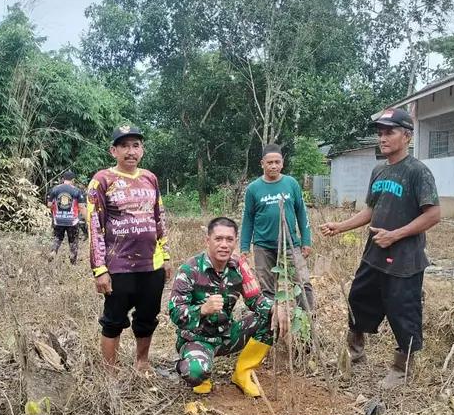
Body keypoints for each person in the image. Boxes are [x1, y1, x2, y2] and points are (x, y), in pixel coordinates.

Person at [320, 108, 440, 388]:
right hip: (374, 253)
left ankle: (402, 368)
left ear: (407, 136)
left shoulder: (417, 171)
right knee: (358, 299)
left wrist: (395, 235)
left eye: (390, 132)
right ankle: (355, 350)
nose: (383, 138)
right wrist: (341, 226)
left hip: (405, 260)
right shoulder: (379, 170)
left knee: (403, 311)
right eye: (380, 133)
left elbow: (433, 215)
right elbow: (372, 210)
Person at [169, 217, 289, 396]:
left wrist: (276, 307)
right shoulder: (190, 270)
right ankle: (193, 366)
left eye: (229, 239)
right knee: (196, 373)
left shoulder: (239, 266)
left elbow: (256, 300)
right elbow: (175, 312)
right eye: (218, 239)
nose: (224, 245)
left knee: (272, 317)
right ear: (207, 241)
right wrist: (202, 310)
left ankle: (242, 373)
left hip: (226, 335)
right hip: (197, 339)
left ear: (235, 242)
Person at [88, 125, 171, 372]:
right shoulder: (101, 181)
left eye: (135, 145)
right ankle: (110, 373)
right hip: (118, 265)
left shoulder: (150, 178)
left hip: (151, 264)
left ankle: (142, 363)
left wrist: (165, 255)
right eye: (124, 146)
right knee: (113, 321)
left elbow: (160, 217)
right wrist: (99, 269)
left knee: (147, 318)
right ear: (113, 150)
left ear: (142, 150)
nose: (130, 151)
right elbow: (94, 225)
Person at [240, 145, 314, 311]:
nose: (273, 166)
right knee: (266, 288)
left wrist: (306, 240)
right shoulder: (253, 189)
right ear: (262, 164)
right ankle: (270, 323)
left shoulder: (291, 184)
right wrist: (244, 247)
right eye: (269, 162)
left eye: (277, 162)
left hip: (291, 243)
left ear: (282, 163)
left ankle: (309, 320)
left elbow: (302, 213)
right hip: (262, 246)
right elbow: (248, 219)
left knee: (303, 282)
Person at [46, 170, 87, 264]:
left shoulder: (55, 189)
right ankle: (73, 261)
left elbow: (49, 204)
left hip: (58, 220)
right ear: (73, 180)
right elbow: (81, 207)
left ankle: (53, 251)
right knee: (73, 241)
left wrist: (57, 210)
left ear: (63, 179)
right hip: (72, 221)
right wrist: (87, 219)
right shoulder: (76, 191)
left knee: (58, 238)